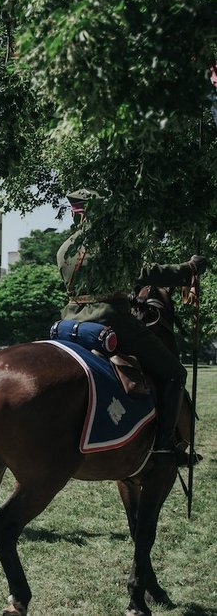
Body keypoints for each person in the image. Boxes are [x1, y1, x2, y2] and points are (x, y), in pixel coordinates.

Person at [57, 188, 207, 463]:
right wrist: (189, 269)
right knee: (174, 373)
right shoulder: (111, 244)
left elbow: (90, 286)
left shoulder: (64, 248)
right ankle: (163, 447)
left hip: (71, 322)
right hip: (111, 321)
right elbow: (146, 273)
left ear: (75, 213)